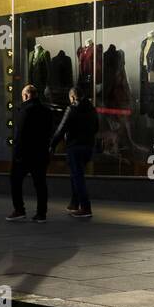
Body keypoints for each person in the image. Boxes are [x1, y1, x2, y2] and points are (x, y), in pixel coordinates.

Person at [50, 80, 99, 219]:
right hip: (88, 147)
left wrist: (52, 144)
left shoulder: (72, 109)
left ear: (72, 97)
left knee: (77, 177)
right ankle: (74, 203)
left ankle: (85, 207)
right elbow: (96, 127)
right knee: (76, 175)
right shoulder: (91, 109)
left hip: (75, 146)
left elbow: (61, 129)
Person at [8, 84, 54, 223]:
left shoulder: (25, 110)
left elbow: (20, 134)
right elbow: (50, 132)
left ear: (26, 95)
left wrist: (16, 153)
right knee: (40, 184)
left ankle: (19, 209)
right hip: (41, 154)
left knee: (15, 180)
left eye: (23, 96)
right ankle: (41, 214)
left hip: (25, 155)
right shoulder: (46, 111)